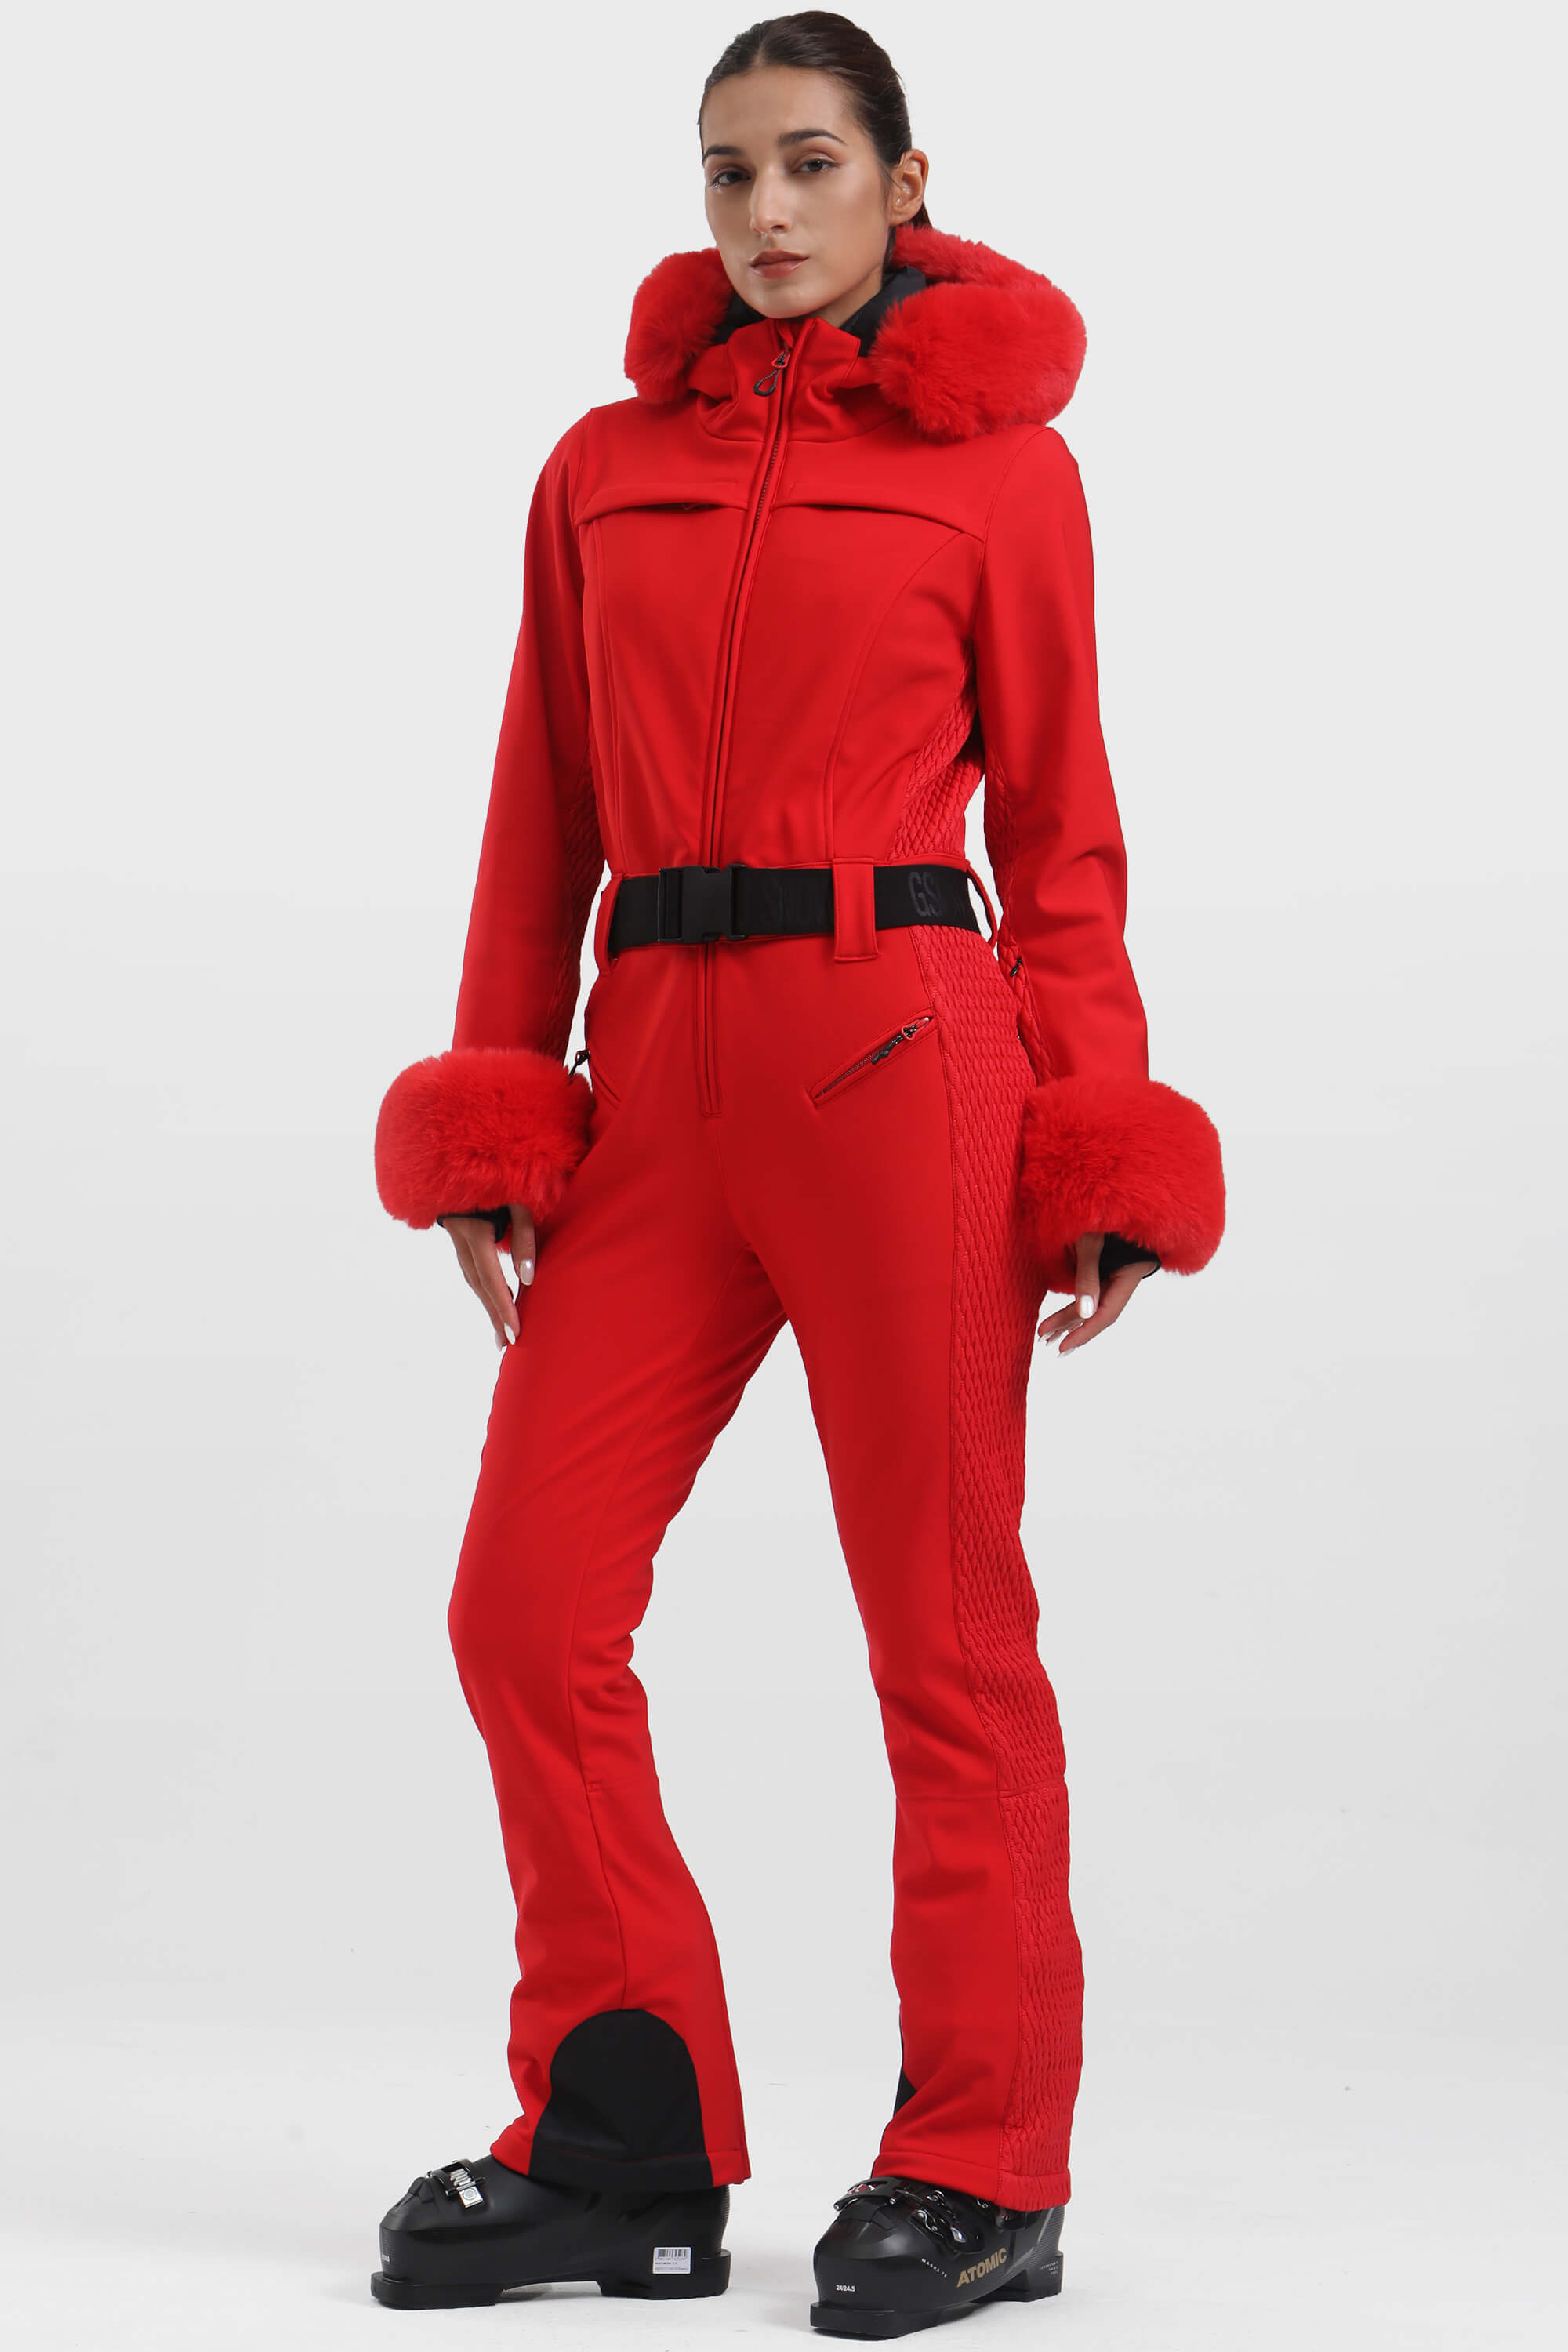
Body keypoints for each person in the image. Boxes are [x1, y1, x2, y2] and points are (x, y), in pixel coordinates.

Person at [368, 10, 1225, 2336]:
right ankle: (620, 2135)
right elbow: (540, 808)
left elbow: (1066, 833)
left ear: (904, 183)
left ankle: (983, 2167)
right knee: (524, 1603)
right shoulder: (599, 468)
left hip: (901, 1060)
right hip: (651, 1065)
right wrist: (499, 1095)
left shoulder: (1004, 475)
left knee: (942, 1630)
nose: (764, 209)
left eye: (812, 163)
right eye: (729, 167)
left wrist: (1097, 1130)